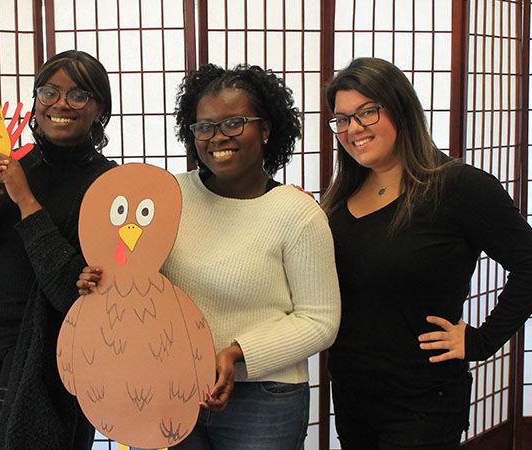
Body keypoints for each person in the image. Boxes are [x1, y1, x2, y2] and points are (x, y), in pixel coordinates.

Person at [77, 64, 341, 449]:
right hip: (165, 386)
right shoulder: (166, 198)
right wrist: (100, 281)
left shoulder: (297, 213)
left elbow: (321, 320)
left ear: (266, 129)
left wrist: (237, 354)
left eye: (235, 122)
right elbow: (134, 274)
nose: (218, 137)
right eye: (205, 126)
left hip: (263, 399)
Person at [322, 57, 532, 450]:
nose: (353, 129)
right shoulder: (338, 200)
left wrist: (481, 340)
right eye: (342, 120)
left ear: (400, 108)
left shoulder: (457, 187)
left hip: (423, 402)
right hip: (352, 395)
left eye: (367, 112)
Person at [0, 50, 117, 449]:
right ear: (36, 102)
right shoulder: (10, 163)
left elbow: (73, 295)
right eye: (49, 91)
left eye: (78, 95)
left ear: (99, 109)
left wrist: (26, 201)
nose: (60, 104)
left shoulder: (108, 186)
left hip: (51, 363)